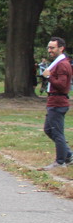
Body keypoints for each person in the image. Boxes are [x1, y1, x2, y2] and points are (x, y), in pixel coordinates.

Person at [40, 37, 72, 169]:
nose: (49, 50)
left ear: (61, 48)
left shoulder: (62, 64)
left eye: (52, 48)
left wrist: (49, 76)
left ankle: (60, 162)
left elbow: (62, 85)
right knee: (48, 129)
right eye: (48, 47)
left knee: (57, 133)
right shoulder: (58, 63)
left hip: (58, 102)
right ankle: (68, 155)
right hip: (53, 101)